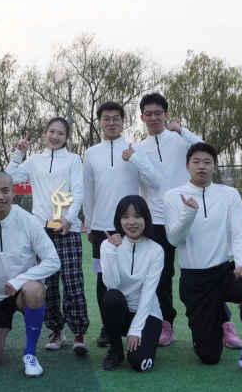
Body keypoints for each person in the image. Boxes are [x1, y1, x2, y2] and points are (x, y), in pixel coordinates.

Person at [135, 92, 242, 348]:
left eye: (158, 113)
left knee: (210, 270)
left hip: (190, 215)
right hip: (157, 220)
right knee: (161, 275)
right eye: (148, 114)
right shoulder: (137, 148)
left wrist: (182, 131)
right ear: (142, 117)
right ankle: (166, 324)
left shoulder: (180, 139)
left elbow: (206, 150)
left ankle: (224, 324)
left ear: (166, 115)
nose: (154, 118)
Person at [164, 142, 242, 377]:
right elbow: (173, 239)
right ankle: (214, 326)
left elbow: (240, 231)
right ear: (187, 166)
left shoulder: (229, 194)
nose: (201, 166)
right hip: (194, 281)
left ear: (215, 167)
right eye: (196, 162)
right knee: (209, 356)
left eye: (207, 162)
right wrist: (188, 213)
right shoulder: (173, 196)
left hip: (224, 272)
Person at [6, 117, 90, 354]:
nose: (55, 136)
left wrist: (69, 219)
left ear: (67, 137)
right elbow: (10, 178)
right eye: (51, 132)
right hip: (41, 230)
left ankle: (79, 332)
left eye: (60, 133)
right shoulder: (34, 161)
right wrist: (19, 153)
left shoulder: (73, 160)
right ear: (45, 133)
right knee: (49, 284)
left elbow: (78, 190)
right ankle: (56, 330)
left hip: (67, 228)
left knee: (73, 282)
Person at [0, 172, 61, 377]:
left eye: (5, 191)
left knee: (34, 288)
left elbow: (53, 260)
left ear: (14, 192)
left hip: (23, 293)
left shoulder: (29, 221)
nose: (0, 196)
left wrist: (19, 281)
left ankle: (30, 354)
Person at [83, 101, 160, 346]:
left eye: (116, 118)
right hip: (101, 228)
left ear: (123, 121)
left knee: (133, 274)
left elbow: (154, 181)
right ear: (99, 123)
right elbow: (88, 192)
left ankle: (138, 321)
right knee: (103, 277)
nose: (111, 123)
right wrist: (90, 225)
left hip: (131, 224)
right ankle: (109, 327)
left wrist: (135, 159)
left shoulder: (136, 149)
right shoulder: (91, 153)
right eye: (106, 119)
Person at [100, 195, 164, 372]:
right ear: (119, 220)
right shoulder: (107, 245)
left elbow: (148, 293)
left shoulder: (156, 250)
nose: (131, 222)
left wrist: (136, 328)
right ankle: (116, 349)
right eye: (125, 217)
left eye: (137, 216)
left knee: (139, 363)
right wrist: (112, 251)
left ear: (146, 218)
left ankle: (140, 340)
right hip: (120, 312)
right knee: (112, 297)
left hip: (148, 313)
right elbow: (111, 284)